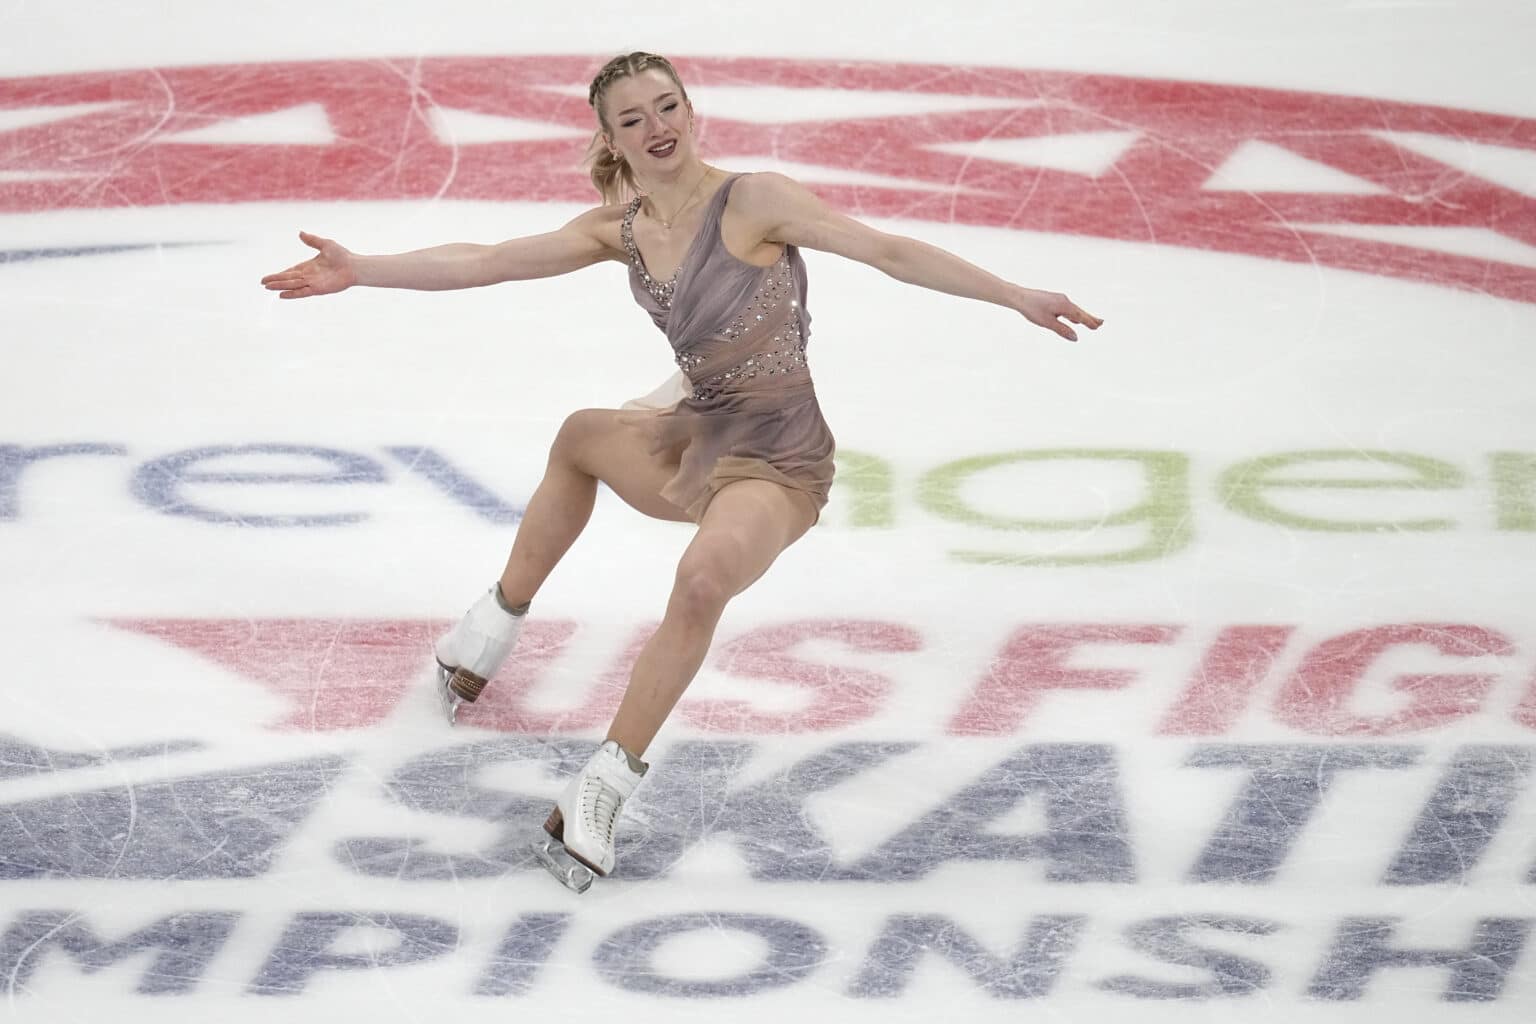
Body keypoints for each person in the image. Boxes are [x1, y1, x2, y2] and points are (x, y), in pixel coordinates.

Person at [260, 51, 1103, 891]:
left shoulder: (755, 201)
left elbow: (886, 252)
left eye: (667, 108)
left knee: (701, 579)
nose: (656, 128)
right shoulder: (618, 230)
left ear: (692, 113)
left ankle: (604, 784)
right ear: (611, 140)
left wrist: (1014, 294)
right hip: (696, 431)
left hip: (778, 459)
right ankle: (491, 626)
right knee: (581, 436)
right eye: (633, 119)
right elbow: (483, 260)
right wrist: (362, 268)